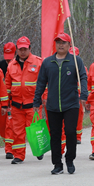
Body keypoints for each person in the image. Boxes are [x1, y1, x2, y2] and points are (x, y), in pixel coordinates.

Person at [34, 33, 88, 174]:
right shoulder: (48, 62)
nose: (61, 44)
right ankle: (57, 164)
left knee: (70, 132)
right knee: (55, 135)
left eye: (64, 42)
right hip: (52, 105)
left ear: (69, 45)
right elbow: (40, 82)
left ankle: (69, 159)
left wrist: (84, 94)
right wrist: (36, 100)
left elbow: (83, 77)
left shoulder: (76, 61)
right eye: (58, 42)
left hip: (71, 104)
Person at [5, 36, 45, 164]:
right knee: (17, 132)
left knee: (35, 130)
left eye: (25, 49)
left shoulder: (38, 63)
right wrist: (6, 103)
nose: (22, 51)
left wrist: (44, 99)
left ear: (30, 48)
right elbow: (7, 86)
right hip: (16, 105)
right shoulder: (11, 65)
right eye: (20, 49)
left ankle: (39, 150)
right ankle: (19, 155)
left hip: (33, 104)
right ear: (16, 49)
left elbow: (45, 83)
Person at [0, 42, 16, 159]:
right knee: (1, 126)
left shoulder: (19, 65)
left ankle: (10, 149)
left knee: (11, 125)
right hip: (0, 102)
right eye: (7, 59)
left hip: (14, 101)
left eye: (10, 59)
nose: (8, 62)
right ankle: (8, 143)